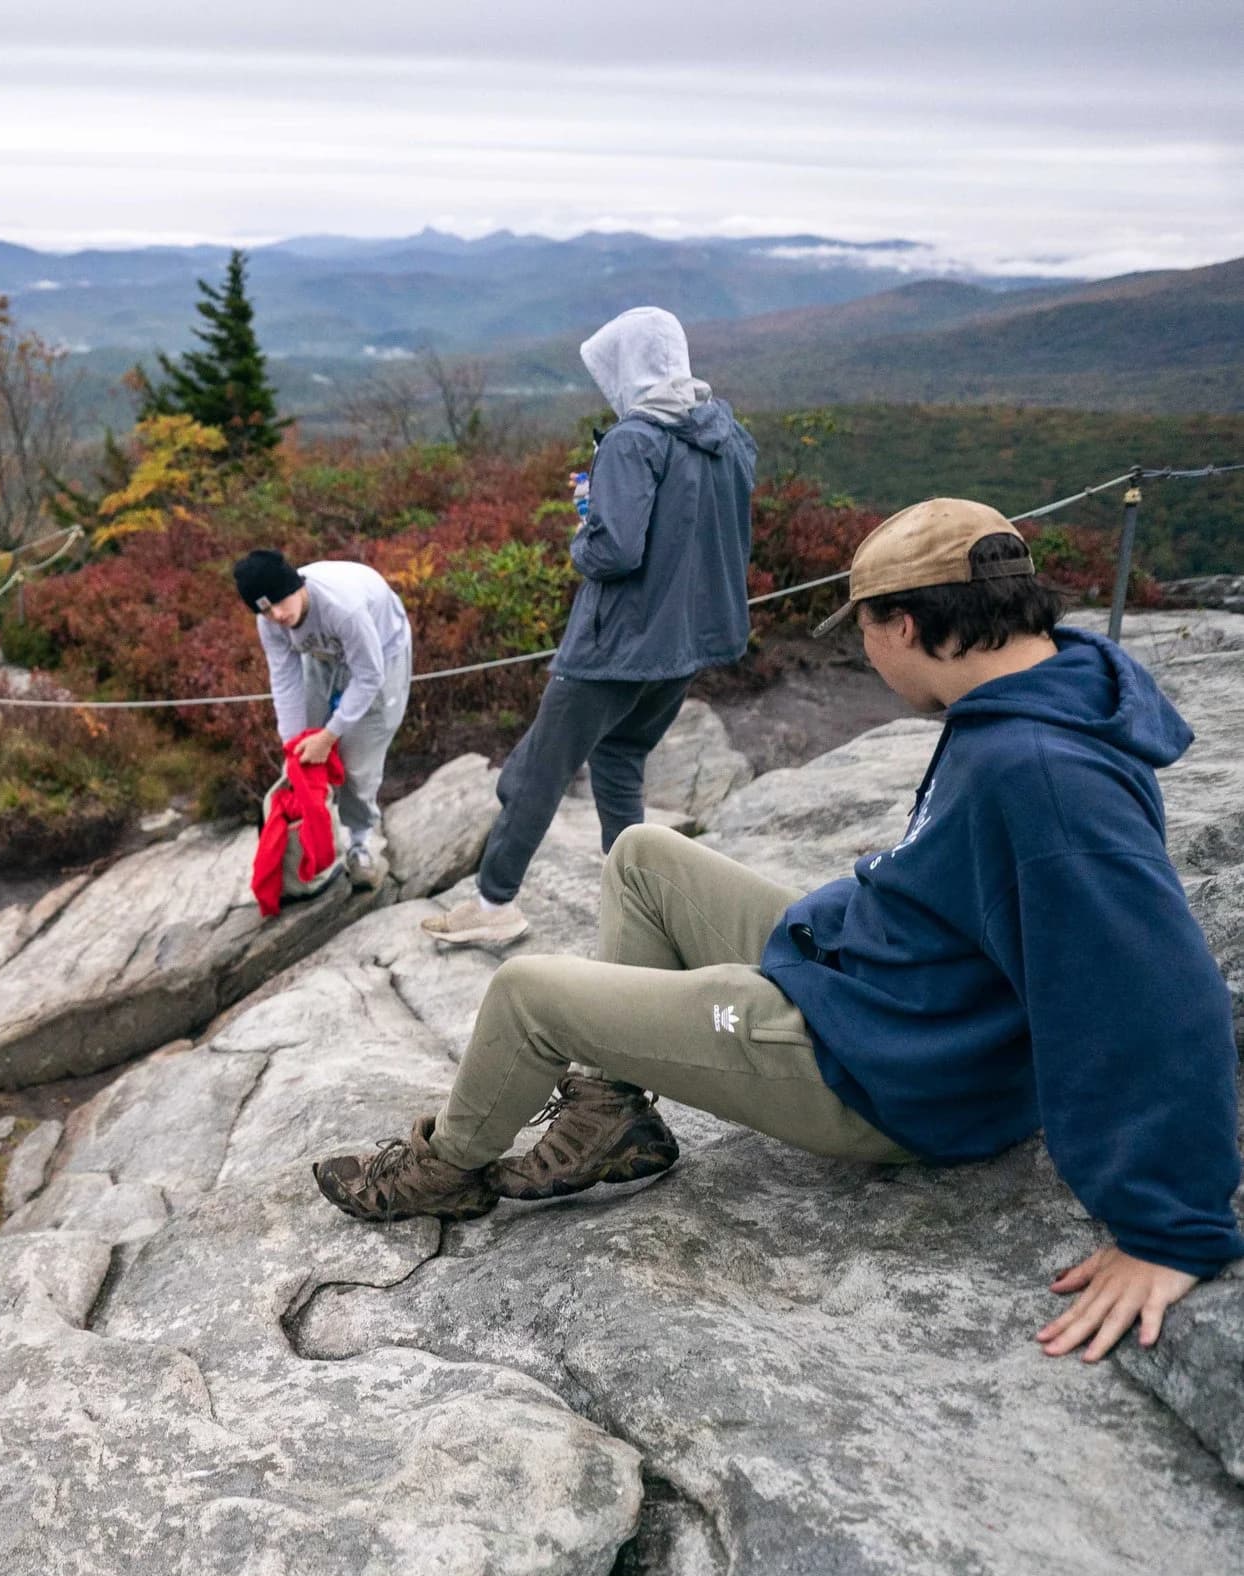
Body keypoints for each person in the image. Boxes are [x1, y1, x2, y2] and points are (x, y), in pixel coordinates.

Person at [313, 498, 1242, 1362]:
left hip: (888, 1069)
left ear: (906, 625)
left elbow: (1157, 990)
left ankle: (446, 1171)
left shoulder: (1040, 769)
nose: (869, 655)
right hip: (879, 985)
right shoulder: (1041, 688)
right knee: (641, 853)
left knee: (527, 996)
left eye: (867, 630)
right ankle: (610, 1118)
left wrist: (1172, 1230)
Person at [423, 306, 758, 947]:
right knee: (620, 755)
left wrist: (586, 530)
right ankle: (631, 896)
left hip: (617, 643)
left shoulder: (635, 439)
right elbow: (710, 535)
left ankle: (495, 907)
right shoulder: (727, 435)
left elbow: (616, 552)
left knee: (533, 774)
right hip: (685, 640)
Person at [234, 549, 413, 888]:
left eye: (279, 602)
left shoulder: (342, 608)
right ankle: (321, 844)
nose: (276, 614)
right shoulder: (271, 622)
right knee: (306, 755)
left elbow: (369, 676)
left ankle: (362, 844)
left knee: (358, 760)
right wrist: (293, 744)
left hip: (380, 656)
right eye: (265, 610)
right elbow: (285, 681)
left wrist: (330, 735)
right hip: (321, 657)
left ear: (295, 585)